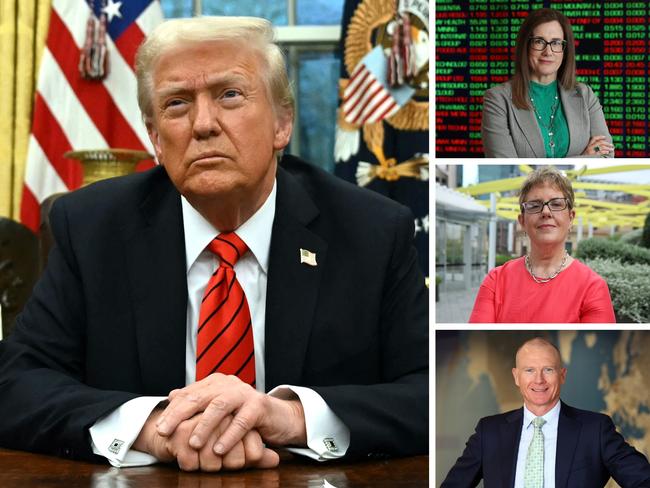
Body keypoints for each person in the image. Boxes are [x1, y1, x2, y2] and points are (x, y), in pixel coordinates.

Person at [0, 17, 428, 471]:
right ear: (155, 139)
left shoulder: (372, 231)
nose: (203, 124)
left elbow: (427, 390)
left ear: (283, 123)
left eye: (229, 95)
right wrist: (156, 428)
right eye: (177, 104)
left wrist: (290, 417)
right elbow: (16, 385)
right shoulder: (91, 228)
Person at [441, 337, 650, 487]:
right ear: (516, 377)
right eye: (529, 370)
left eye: (548, 370)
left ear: (562, 375)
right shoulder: (489, 431)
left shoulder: (595, 429)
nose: (539, 380)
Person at [470, 167, 615, 323]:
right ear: (522, 221)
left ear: (571, 218)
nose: (546, 212)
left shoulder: (592, 287)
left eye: (557, 204)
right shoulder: (496, 281)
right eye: (534, 205)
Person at [481, 8, 614, 158]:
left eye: (556, 43)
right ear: (525, 46)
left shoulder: (585, 95)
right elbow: (503, 162)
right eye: (539, 41)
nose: (548, 52)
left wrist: (593, 154)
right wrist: (585, 156)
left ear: (565, 50)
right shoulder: (497, 99)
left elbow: (606, 154)